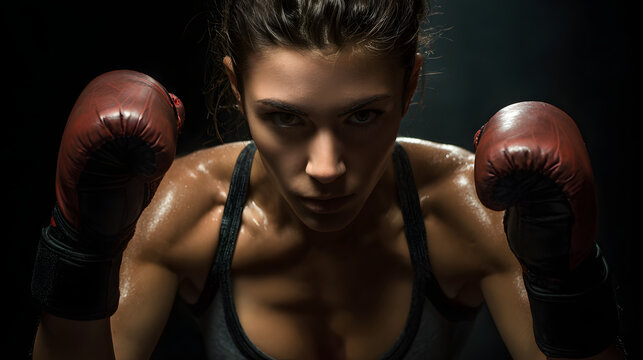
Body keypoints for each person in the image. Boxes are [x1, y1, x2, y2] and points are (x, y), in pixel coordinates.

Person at [30, 0, 623, 359]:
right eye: (285, 117)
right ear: (237, 88)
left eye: (362, 116)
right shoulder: (188, 210)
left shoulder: (472, 211)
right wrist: (82, 251)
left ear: (409, 86)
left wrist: (565, 284)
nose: (326, 167)